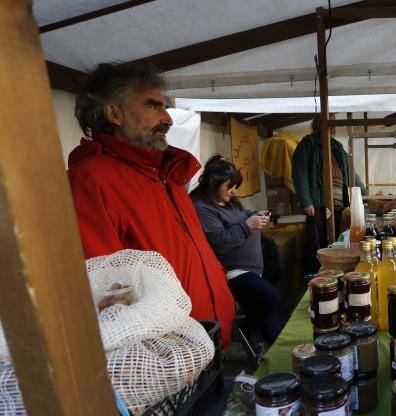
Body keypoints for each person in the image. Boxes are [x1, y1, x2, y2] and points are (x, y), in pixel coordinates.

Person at [68, 63, 235, 345]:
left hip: (209, 333)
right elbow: (107, 290)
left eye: (165, 107)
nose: (167, 119)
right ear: (114, 113)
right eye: (153, 106)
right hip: (171, 350)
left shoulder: (165, 172)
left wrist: (219, 282)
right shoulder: (90, 179)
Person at [191, 155, 283, 348]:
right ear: (212, 184)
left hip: (251, 269)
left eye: (235, 186)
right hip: (232, 272)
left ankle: (274, 349)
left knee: (266, 309)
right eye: (229, 187)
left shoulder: (229, 201)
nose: (233, 191)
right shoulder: (202, 208)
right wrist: (248, 226)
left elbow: (241, 216)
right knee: (270, 298)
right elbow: (219, 241)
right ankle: (246, 329)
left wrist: (255, 215)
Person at [292, 113, 367, 274]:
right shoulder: (307, 145)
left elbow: (351, 173)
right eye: (329, 123)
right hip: (317, 203)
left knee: (335, 241)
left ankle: (335, 272)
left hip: (338, 203)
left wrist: (364, 196)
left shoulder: (337, 147)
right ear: (319, 124)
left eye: (334, 123)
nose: (333, 127)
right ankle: (314, 274)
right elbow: (299, 173)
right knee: (316, 242)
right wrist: (306, 201)